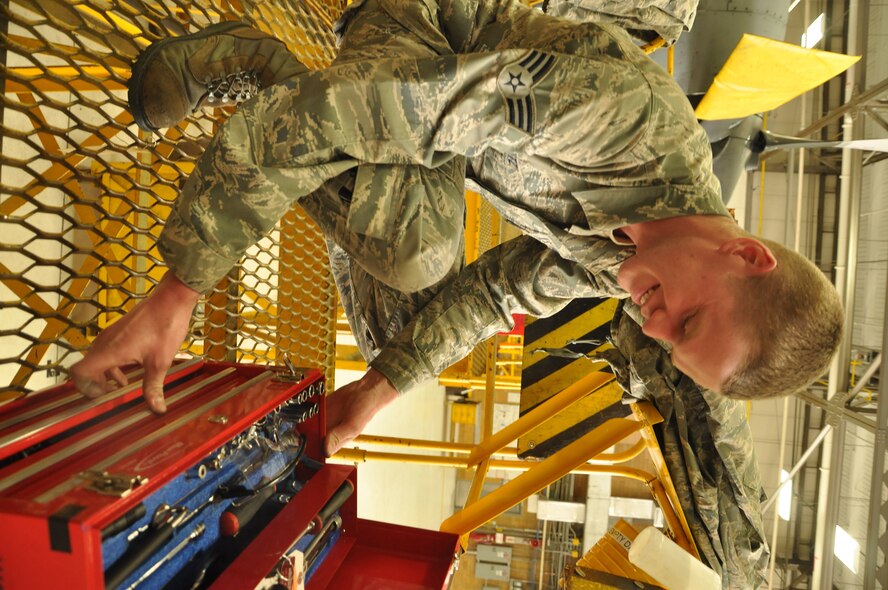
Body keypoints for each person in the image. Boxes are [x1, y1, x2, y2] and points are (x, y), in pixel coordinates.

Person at [70, 0, 843, 457]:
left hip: (431, 124)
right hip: (425, 28)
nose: (656, 321)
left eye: (672, 342)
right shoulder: (632, 131)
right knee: (416, 250)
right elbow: (382, 105)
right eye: (691, 317)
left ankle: (272, 92)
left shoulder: (628, 267)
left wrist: (374, 395)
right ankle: (253, 64)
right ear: (744, 252)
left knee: (399, 340)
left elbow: (490, 296)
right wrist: (181, 289)